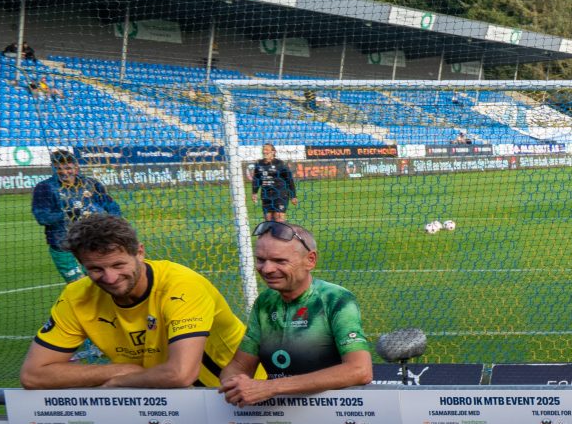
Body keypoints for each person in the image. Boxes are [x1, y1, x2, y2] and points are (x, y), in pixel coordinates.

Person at [19, 214, 246, 390]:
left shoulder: (181, 286)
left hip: (234, 394)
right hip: (157, 398)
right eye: (96, 269)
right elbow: (33, 375)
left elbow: (182, 373)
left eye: (118, 265)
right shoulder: (77, 296)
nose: (110, 278)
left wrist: (120, 381)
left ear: (139, 252)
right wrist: (120, 371)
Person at [217, 220, 373, 404]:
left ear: (310, 260)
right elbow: (240, 365)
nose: (266, 269)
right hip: (277, 416)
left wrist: (271, 387)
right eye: (261, 259)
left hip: (333, 414)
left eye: (279, 261)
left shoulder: (335, 299)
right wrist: (234, 383)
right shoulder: (265, 303)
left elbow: (360, 370)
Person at [29, 150, 122, 283]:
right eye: (58, 168)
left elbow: (112, 206)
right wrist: (66, 213)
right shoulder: (45, 188)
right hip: (63, 245)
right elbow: (42, 217)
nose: (64, 172)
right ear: (53, 168)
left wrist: (110, 222)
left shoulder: (91, 184)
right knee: (79, 285)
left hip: (93, 243)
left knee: (101, 282)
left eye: (68, 168)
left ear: (76, 168)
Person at [247, 143, 298, 221]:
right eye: (263, 150)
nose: (264, 152)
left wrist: (293, 196)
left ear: (273, 152)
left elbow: (289, 180)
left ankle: (284, 232)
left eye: (267, 150)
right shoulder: (259, 164)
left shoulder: (280, 164)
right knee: (268, 221)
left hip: (280, 195)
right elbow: (256, 179)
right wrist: (254, 192)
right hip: (266, 196)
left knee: (279, 220)